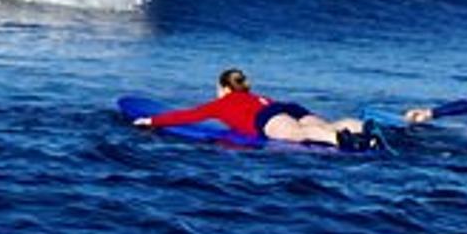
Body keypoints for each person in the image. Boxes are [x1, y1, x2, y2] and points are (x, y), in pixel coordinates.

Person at [134, 67, 381, 150]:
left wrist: (152, 121)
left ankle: (342, 140)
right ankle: (365, 130)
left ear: (224, 88)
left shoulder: (223, 103)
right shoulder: (255, 96)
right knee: (326, 123)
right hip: (284, 107)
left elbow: (186, 116)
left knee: (298, 135)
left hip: (266, 117)